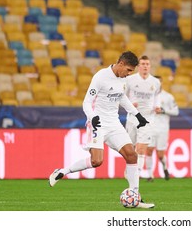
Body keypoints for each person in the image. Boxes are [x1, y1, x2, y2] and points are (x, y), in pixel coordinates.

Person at [48, 51, 155, 208]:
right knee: (96, 161)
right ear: (121, 64)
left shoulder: (123, 80)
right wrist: (93, 117)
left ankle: (135, 197)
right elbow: (86, 102)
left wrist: (137, 115)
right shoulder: (101, 77)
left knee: (131, 155)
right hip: (98, 123)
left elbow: (122, 98)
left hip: (114, 123)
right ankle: (62, 171)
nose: (129, 74)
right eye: (129, 70)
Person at [125, 55, 161, 177]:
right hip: (132, 118)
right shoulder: (130, 80)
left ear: (150, 66)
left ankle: (136, 174)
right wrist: (129, 104)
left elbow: (157, 97)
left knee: (141, 148)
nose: (145, 66)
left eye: (147, 64)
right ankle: (130, 168)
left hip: (147, 119)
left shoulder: (155, 82)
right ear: (138, 66)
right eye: (143, 64)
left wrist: (157, 106)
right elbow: (122, 97)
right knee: (130, 149)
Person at [145, 76, 179, 181]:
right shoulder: (146, 96)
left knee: (160, 154)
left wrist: (163, 110)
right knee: (149, 150)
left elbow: (176, 111)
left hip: (163, 129)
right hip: (150, 127)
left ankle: (165, 167)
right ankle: (150, 175)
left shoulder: (168, 97)